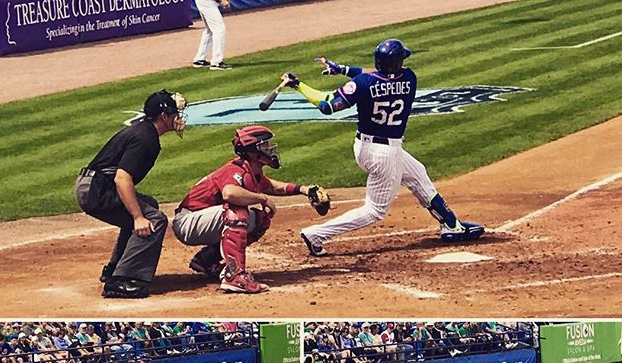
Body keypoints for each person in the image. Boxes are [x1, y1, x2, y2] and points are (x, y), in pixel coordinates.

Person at [281, 39, 484, 257]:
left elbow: (328, 106)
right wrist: (343, 70)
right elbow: (378, 76)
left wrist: (299, 86)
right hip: (384, 154)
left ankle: (451, 225)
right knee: (374, 211)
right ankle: (316, 235)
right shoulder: (409, 77)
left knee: (418, 174)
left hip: (368, 148)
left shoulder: (362, 84)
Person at [172, 125, 323, 294]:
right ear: (253, 151)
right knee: (237, 212)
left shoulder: (251, 170)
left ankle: (208, 260)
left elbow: (272, 186)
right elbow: (230, 193)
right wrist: (262, 198)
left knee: (259, 219)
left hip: (200, 221)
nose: (270, 148)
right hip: (188, 222)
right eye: (264, 145)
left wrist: (302, 189)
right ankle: (234, 277)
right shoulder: (235, 169)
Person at [75, 89, 187, 299]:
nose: (178, 118)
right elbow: (122, 178)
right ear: (164, 116)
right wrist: (137, 217)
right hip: (96, 190)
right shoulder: (145, 138)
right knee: (154, 219)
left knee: (149, 205)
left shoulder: (145, 131)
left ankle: (115, 268)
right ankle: (122, 280)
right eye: (175, 114)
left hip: (93, 185)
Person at [192, 0, 232, 70]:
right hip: (207, 2)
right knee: (219, 29)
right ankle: (216, 62)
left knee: (210, 30)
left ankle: (199, 60)